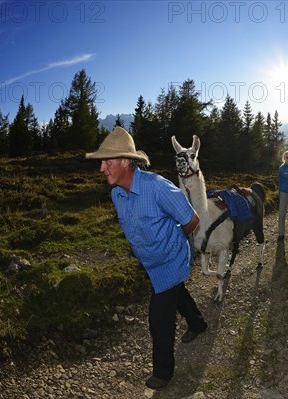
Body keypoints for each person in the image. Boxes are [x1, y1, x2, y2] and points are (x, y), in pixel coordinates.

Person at [86, 127, 208, 391]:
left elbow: (192, 220)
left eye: (107, 161)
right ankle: (198, 323)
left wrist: (173, 242)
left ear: (126, 162)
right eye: (101, 162)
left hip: (172, 259)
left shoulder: (157, 188)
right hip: (151, 264)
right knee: (176, 293)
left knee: (159, 318)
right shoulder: (116, 194)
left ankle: (163, 373)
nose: (101, 169)